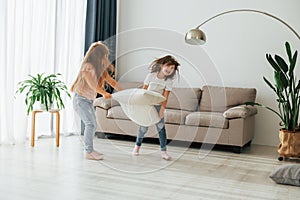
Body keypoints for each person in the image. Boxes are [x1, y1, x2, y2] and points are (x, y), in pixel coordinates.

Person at [71, 41, 122, 161]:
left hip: (88, 101)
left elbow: (112, 82)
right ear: (98, 55)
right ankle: (88, 151)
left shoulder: (99, 69)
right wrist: (104, 93)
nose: (106, 58)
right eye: (105, 55)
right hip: (80, 100)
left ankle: (90, 149)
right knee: (90, 124)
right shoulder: (87, 67)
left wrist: (126, 92)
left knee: (93, 125)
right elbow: (93, 85)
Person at [132, 55, 180, 160]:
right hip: (147, 105)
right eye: (168, 66)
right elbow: (143, 92)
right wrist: (141, 104)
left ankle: (163, 152)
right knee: (143, 128)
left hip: (158, 106)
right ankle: (137, 147)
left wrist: (162, 110)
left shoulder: (168, 81)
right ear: (162, 65)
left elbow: (165, 97)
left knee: (161, 129)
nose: (170, 70)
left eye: (172, 69)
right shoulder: (151, 76)